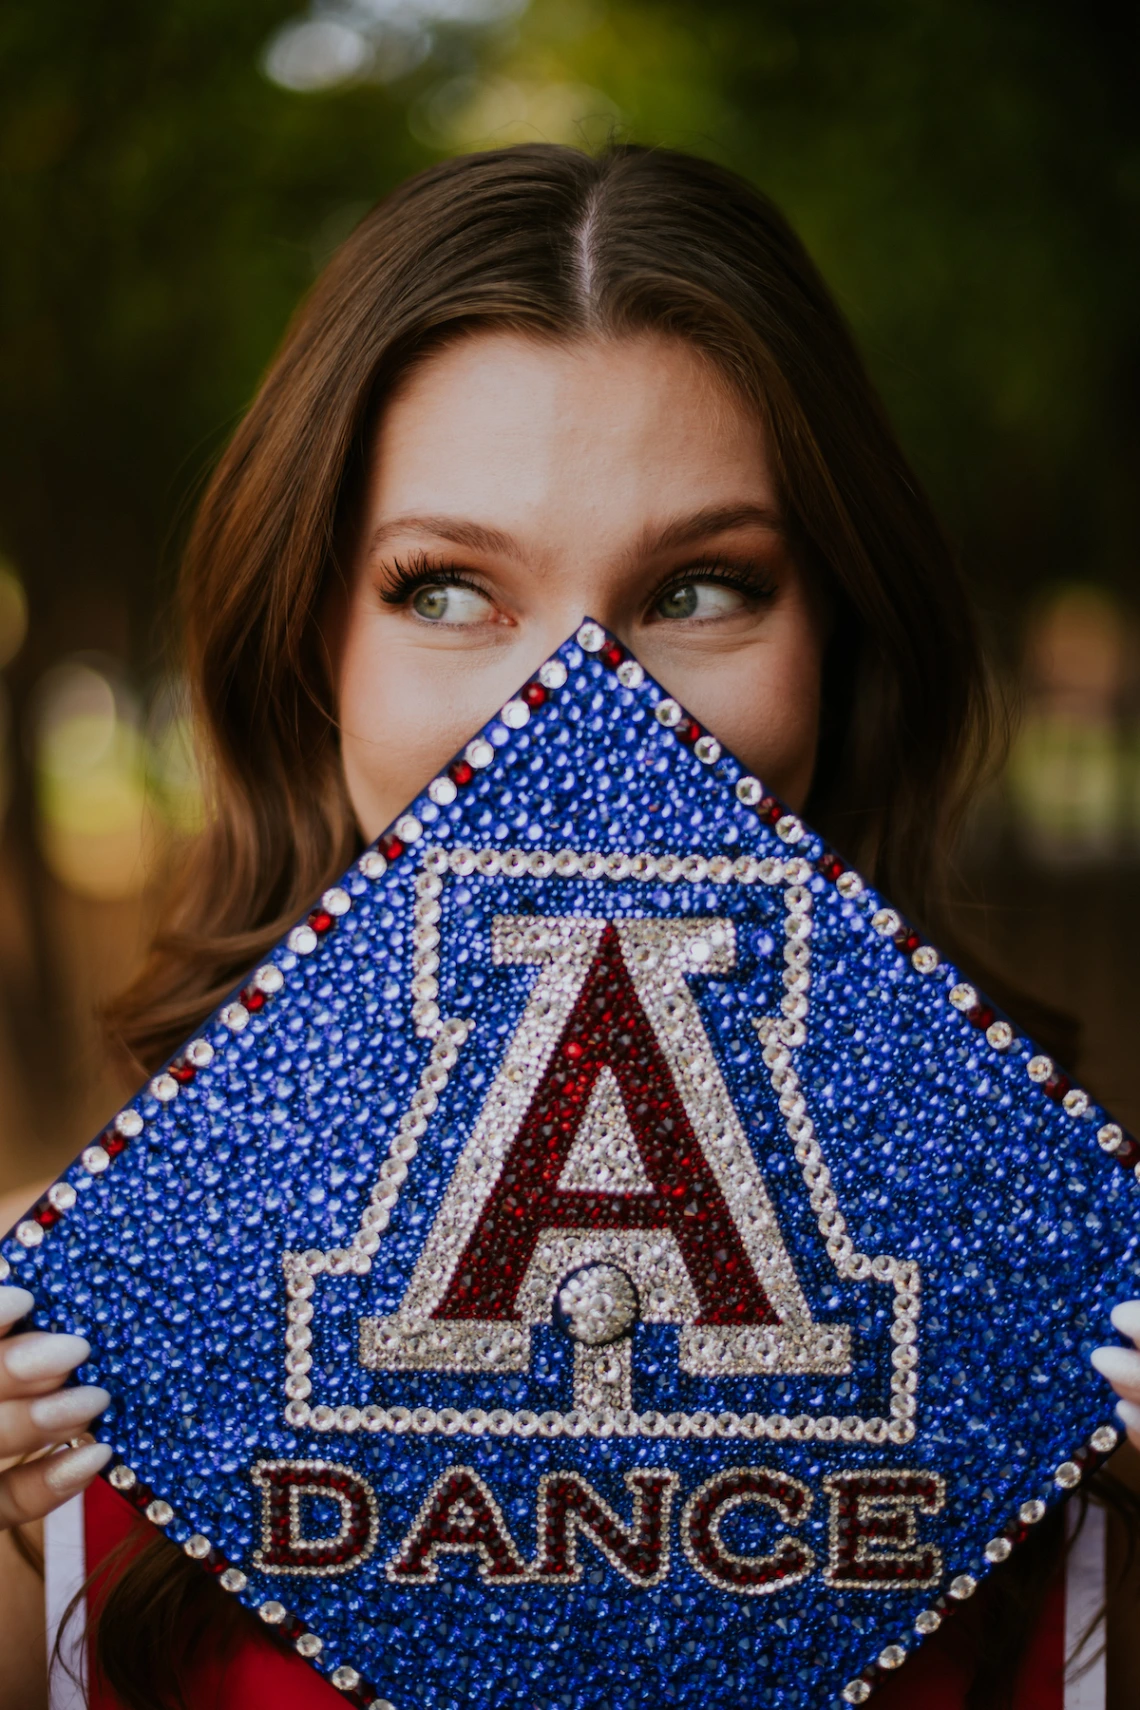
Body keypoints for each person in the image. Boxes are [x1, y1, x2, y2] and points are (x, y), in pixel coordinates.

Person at [0, 142, 1137, 1709]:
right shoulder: (59, 1349)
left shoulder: (1064, 1321)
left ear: (840, 646)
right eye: (449, 588)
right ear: (312, 646)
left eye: (700, 586)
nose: (579, 706)